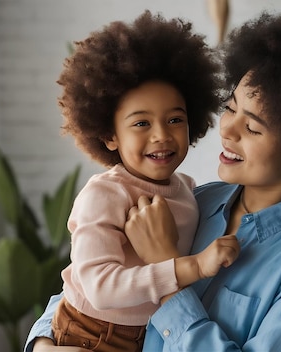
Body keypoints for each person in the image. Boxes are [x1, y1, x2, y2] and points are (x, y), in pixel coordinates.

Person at [26, 9, 281, 352]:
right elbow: (87, 283)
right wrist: (44, 343)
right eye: (230, 109)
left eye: (252, 126)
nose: (227, 131)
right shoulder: (197, 200)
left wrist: (168, 267)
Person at [44, 10, 240, 352]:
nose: (162, 135)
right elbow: (101, 289)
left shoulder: (189, 190)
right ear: (109, 135)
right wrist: (191, 267)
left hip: (154, 336)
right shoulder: (104, 194)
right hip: (91, 334)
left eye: (175, 119)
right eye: (141, 123)